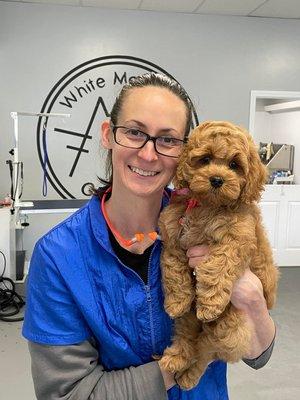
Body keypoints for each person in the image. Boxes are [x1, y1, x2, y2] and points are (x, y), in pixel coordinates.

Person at [22, 73, 276, 400]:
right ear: (107, 135)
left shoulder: (214, 227)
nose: (148, 154)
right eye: (134, 132)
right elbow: (68, 394)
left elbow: (259, 355)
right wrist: (185, 361)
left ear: (184, 152)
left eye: (167, 139)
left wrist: (253, 301)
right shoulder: (58, 256)